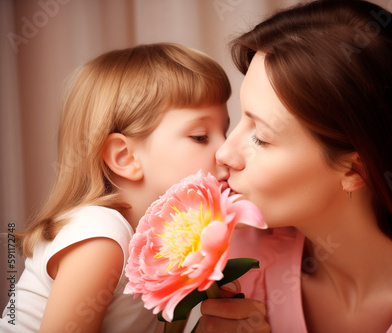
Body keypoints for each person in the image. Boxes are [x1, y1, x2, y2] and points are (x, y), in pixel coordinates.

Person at [209, 0, 392, 332]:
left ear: (355, 170)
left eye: (260, 137)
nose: (223, 152)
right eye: (238, 121)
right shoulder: (236, 266)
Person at [0, 43, 233, 332]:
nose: (226, 151)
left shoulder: (166, 241)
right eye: (200, 136)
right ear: (125, 157)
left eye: (225, 130)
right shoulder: (102, 237)